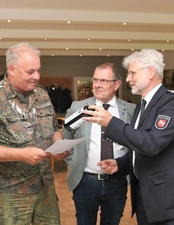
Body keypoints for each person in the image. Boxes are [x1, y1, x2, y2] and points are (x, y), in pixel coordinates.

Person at [82, 49, 174, 225]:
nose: (129, 78)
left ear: (150, 72)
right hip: (148, 202)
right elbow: (139, 145)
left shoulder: (172, 103)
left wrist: (111, 123)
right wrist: (121, 164)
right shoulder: (142, 107)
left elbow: (152, 144)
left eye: (132, 73)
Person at [0, 42, 70, 225]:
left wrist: (59, 146)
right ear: (12, 69)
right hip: (11, 193)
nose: (37, 77)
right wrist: (19, 154)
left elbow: (53, 129)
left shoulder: (42, 95)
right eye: (30, 72)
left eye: (39, 71)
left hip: (45, 188)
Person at [62, 62, 136, 225]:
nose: (97, 85)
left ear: (117, 84)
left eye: (103, 81)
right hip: (85, 181)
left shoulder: (130, 110)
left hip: (117, 181)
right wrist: (72, 160)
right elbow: (65, 135)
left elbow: (136, 142)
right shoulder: (79, 107)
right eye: (95, 80)